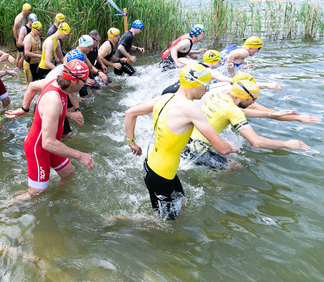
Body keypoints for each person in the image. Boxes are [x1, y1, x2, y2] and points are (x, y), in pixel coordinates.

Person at [124, 63, 238, 220]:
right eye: (206, 85)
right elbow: (222, 149)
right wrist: (230, 147)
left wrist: (131, 142)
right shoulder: (190, 108)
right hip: (160, 176)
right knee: (165, 225)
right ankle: (119, 221)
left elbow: (130, 113)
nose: (208, 90)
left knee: (182, 204)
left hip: (155, 166)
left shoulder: (165, 97)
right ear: (194, 83)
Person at [182, 79, 312, 169]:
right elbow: (256, 142)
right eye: (254, 99)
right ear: (247, 97)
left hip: (183, 139)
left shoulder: (218, 95)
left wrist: (271, 114)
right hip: (195, 149)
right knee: (235, 167)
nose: (253, 103)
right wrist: (287, 144)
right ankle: (221, 188)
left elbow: (241, 111)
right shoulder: (233, 111)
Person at [19, 59, 94, 198]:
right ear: (74, 81)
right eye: (84, 80)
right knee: (36, 195)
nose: (86, 82)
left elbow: (33, 85)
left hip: (53, 145)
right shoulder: (53, 101)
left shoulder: (57, 83)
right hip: (39, 149)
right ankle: (2, 208)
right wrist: (80, 155)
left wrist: (24, 109)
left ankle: (59, 198)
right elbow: (47, 142)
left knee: (69, 173)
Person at [23, 20, 43, 84]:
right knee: (29, 85)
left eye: (41, 29)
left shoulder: (37, 36)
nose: (41, 31)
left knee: (37, 82)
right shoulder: (28, 38)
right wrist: (40, 56)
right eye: (39, 30)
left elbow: (38, 49)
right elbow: (26, 53)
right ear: (34, 29)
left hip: (35, 63)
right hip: (28, 64)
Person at [12, 3, 32, 69]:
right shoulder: (20, 17)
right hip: (18, 38)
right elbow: (14, 29)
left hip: (19, 38)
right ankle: (20, 70)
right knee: (23, 57)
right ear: (25, 10)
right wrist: (17, 40)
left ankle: (17, 68)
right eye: (29, 10)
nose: (29, 12)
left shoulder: (23, 17)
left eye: (30, 10)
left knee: (19, 55)